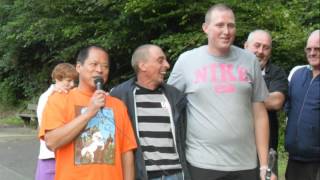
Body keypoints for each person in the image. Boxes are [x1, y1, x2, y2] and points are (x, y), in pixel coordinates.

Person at [168, 4, 270, 180]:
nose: (226, 31)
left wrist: (264, 166)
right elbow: (167, 101)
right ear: (205, 28)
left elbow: (260, 115)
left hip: (245, 164)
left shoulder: (249, 61)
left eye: (231, 25)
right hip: (202, 164)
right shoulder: (187, 61)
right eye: (220, 25)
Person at [38, 45, 137, 180]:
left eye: (105, 66)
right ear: (78, 67)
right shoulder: (59, 99)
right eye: (94, 64)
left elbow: (127, 152)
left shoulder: (118, 105)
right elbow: (52, 142)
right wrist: (88, 113)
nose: (100, 70)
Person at [110, 44, 190, 180]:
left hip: (176, 174)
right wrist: (62, 91)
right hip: (143, 175)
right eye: (160, 60)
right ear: (143, 66)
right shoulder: (119, 96)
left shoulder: (175, 96)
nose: (167, 65)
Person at [244, 29, 288, 179]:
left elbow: (276, 101)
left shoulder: (277, 73)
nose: (261, 51)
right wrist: (263, 98)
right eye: (257, 45)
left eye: (266, 47)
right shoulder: (232, 70)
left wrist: (239, 97)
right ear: (246, 46)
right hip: (236, 150)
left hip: (267, 151)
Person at [285, 29, 320, 180]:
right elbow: (288, 108)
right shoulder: (296, 74)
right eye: (309, 49)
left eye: (317, 49)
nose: (312, 53)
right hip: (294, 158)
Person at [35, 63, 78, 180]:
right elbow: (45, 127)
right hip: (49, 156)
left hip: (64, 156)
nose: (72, 85)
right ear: (57, 79)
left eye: (74, 81)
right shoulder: (48, 97)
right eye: (68, 81)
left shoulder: (66, 95)